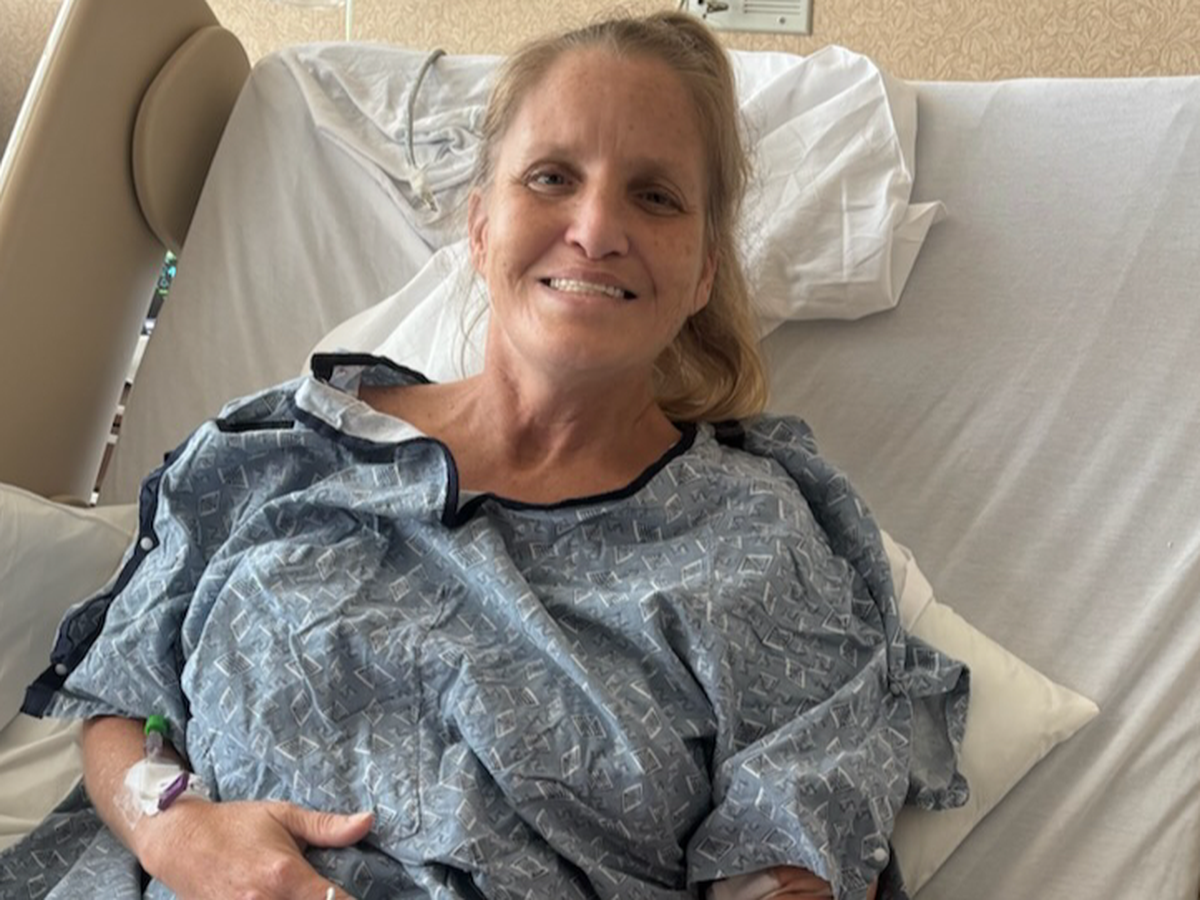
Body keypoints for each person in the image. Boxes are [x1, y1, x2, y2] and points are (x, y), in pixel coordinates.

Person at [12, 12, 968, 900]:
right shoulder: (280, 452)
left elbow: (787, 859)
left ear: (702, 273)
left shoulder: (756, 541)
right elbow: (126, 694)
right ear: (479, 226)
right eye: (551, 177)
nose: (596, 230)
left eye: (655, 196)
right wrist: (177, 831)